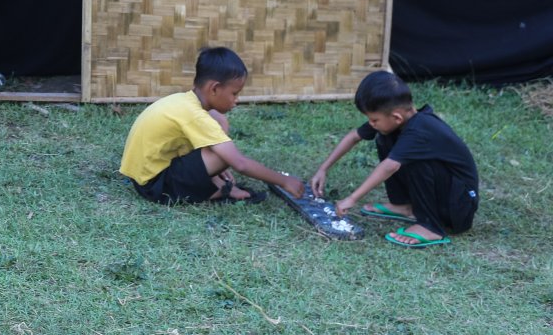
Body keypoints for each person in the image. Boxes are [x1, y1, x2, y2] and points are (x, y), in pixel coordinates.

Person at [309, 70, 478, 248]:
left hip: (458, 206)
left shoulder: (421, 131)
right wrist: (323, 169)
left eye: (374, 119)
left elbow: (389, 167)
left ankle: (431, 227)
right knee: (384, 138)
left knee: (413, 158)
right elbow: (354, 136)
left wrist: (352, 198)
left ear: (396, 117)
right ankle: (405, 206)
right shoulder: (397, 121)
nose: (371, 123)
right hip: (448, 197)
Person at [120, 47, 305, 204]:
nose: (236, 100)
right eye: (234, 93)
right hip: (154, 186)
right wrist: (284, 180)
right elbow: (240, 164)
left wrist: (217, 172)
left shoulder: (185, 101)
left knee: (219, 123)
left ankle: (215, 181)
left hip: (143, 174)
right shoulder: (196, 116)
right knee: (223, 157)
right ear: (214, 89)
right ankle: (217, 191)